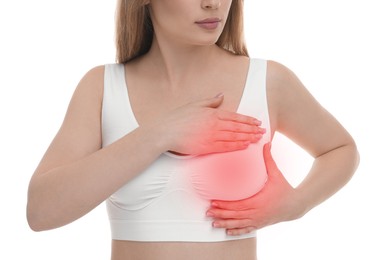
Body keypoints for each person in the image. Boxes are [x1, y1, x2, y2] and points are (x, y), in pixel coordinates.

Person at [26, 0, 359, 259]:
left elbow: (341, 150)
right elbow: (40, 212)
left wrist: (297, 203)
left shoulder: (268, 82)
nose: (213, 2)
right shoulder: (102, 88)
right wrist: (161, 133)